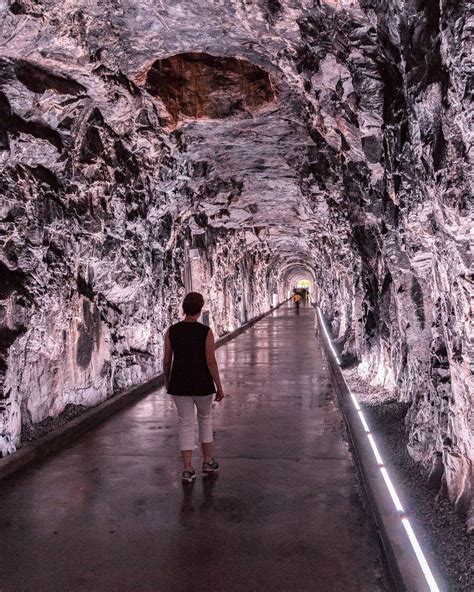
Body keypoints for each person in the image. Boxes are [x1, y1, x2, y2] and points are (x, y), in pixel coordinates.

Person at [163, 292, 225, 484]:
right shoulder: (205, 332)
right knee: (205, 420)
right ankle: (207, 461)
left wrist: (168, 381)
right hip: (202, 384)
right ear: (199, 310)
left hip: (180, 383)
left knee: (185, 423)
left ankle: (188, 469)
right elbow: (210, 361)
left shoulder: (171, 331)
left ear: (184, 308)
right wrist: (219, 386)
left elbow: (166, 360)